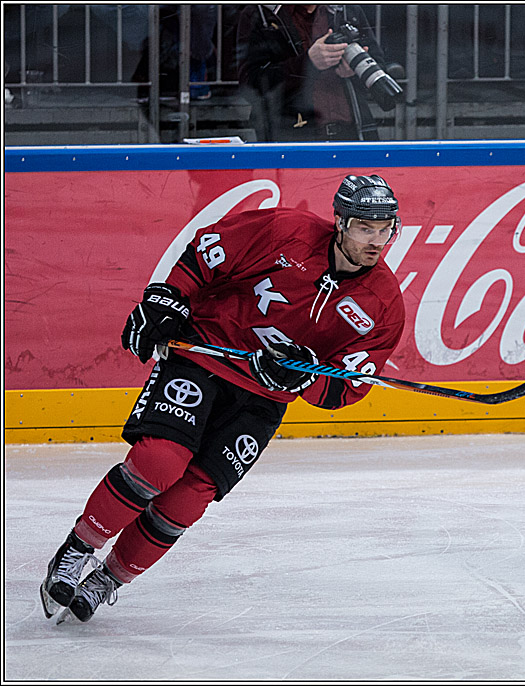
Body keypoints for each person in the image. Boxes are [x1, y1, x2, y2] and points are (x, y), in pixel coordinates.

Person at [39, 174, 407, 623]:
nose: (376, 240)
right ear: (340, 223)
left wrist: (299, 377)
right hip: (205, 357)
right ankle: (76, 550)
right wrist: (167, 298)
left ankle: (108, 579)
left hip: (262, 401)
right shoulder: (284, 231)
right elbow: (209, 250)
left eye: (385, 228)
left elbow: (345, 387)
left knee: (189, 497)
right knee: (159, 462)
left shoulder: (385, 305)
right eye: (365, 228)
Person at [236, 4, 391, 141]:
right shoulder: (259, 14)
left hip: (352, 133)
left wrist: (354, 69)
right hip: (292, 140)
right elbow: (250, 84)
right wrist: (308, 63)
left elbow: (378, 65)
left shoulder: (346, 10)